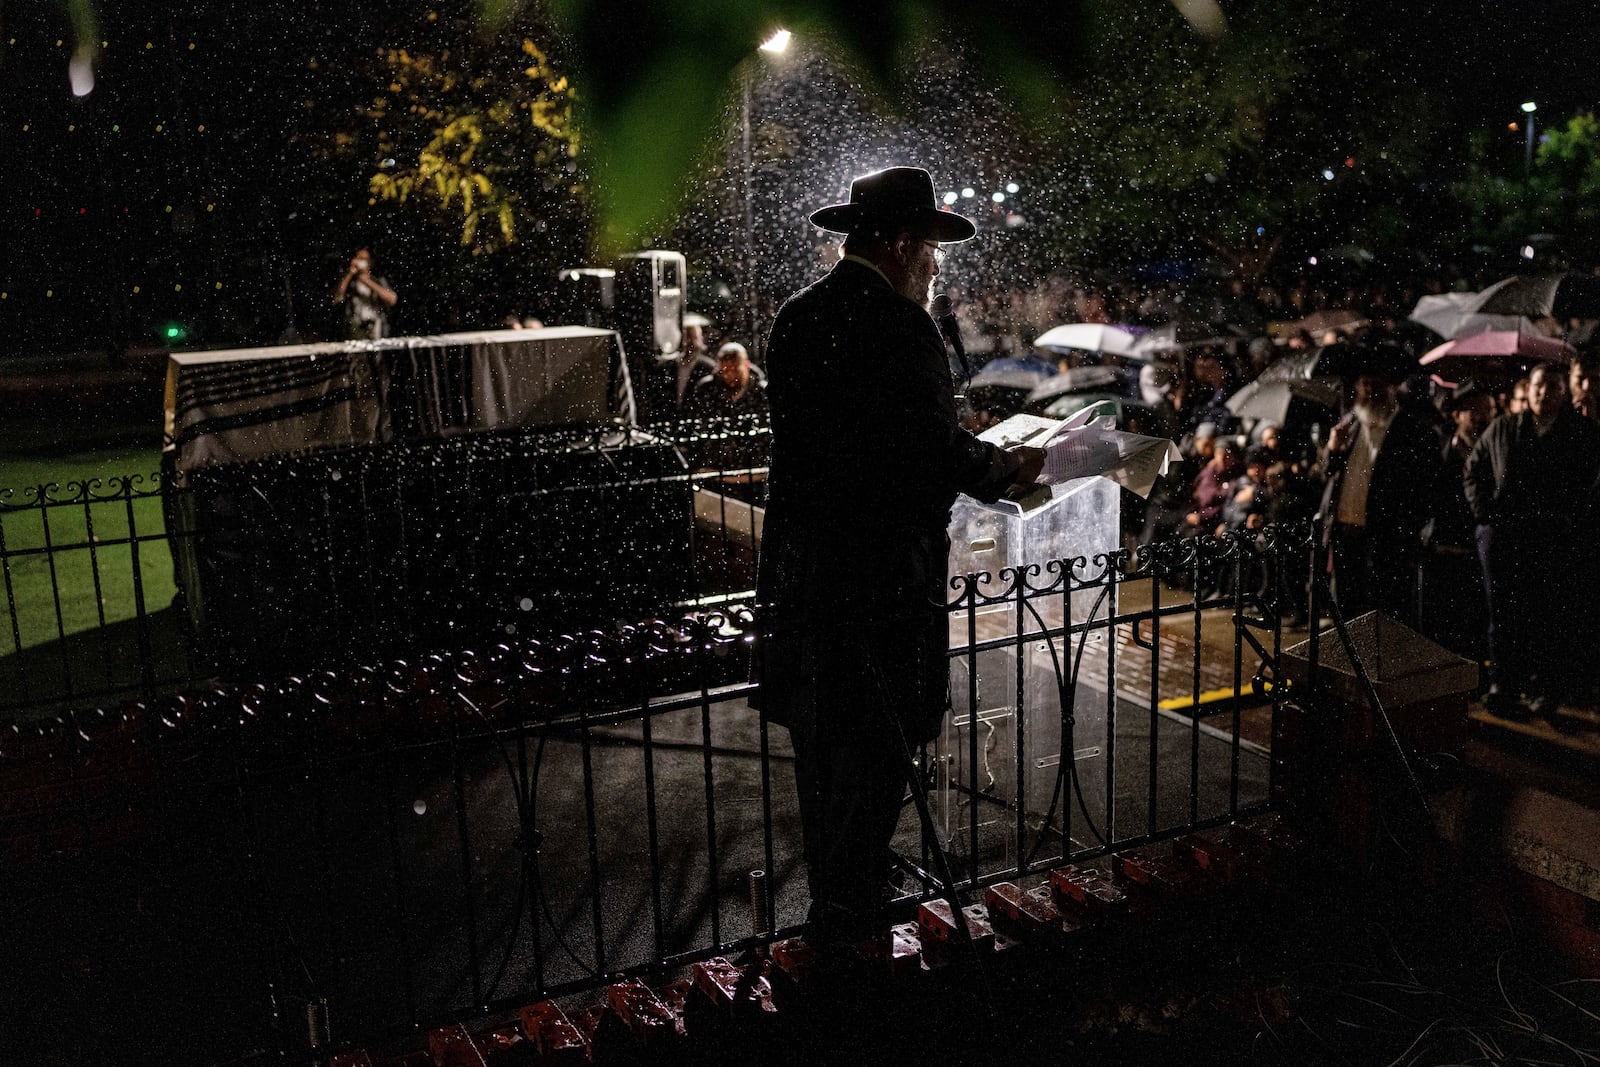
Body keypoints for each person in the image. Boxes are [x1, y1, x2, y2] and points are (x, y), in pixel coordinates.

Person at [754, 166, 1044, 948]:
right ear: (904, 244)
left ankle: (836, 913)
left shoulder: (797, 316)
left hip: (807, 588)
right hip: (881, 592)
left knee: (823, 773)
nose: (938, 266)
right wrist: (1003, 467)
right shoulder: (897, 324)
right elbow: (919, 452)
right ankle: (855, 948)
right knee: (876, 770)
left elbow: (827, 450)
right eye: (932, 249)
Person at [1465, 363, 1600, 722]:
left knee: (1549, 616)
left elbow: (1591, 485)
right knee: (1504, 615)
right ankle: (1503, 687)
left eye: (1554, 388)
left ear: (1563, 392)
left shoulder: (1582, 433)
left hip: (1554, 540)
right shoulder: (1505, 428)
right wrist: (1486, 514)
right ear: (1530, 388)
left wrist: (1571, 521)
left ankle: (1545, 690)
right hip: (1506, 538)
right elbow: (1474, 470)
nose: (1545, 394)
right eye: (1540, 386)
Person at [1317, 346, 1440, 624]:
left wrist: (1404, 533)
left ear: (1392, 387)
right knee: (1347, 613)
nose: (1369, 390)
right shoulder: (1349, 427)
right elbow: (1328, 474)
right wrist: (1332, 450)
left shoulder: (1414, 433)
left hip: (1386, 543)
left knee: (1384, 616)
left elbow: (1424, 492)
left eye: (1377, 384)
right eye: (1364, 384)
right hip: (1346, 537)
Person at [1417, 381, 1495, 661]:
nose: (1481, 415)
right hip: (1442, 550)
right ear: (1456, 415)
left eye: (1488, 409)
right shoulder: (1438, 451)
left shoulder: (1494, 453)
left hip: (1477, 552)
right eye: (1473, 408)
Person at [684, 342, 770, 473]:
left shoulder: (761, 393)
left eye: (735, 369)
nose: (729, 375)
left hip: (754, 468)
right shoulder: (707, 391)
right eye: (724, 370)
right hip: (715, 468)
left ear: (746, 365)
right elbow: (697, 428)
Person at [331, 247, 398, 340]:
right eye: (358, 259)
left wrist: (366, 281)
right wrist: (349, 274)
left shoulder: (377, 280)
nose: (361, 262)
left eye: (364, 259)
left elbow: (392, 299)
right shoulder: (350, 282)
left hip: (376, 327)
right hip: (354, 328)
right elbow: (337, 297)